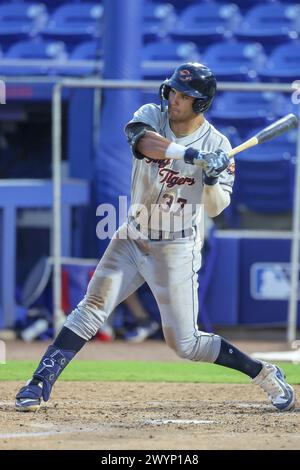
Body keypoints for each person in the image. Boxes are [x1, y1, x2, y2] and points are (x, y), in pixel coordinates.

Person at [15, 63, 295, 412]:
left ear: (201, 103)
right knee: (92, 308)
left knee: (185, 344)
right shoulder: (152, 115)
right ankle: (39, 381)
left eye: (185, 96)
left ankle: (263, 373)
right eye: (174, 91)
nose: (175, 99)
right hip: (134, 233)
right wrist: (191, 156)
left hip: (177, 246)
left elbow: (215, 208)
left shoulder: (218, 144)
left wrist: (210, 177)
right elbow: (142, 142)